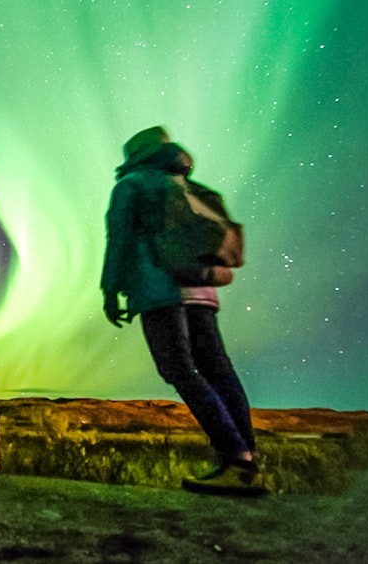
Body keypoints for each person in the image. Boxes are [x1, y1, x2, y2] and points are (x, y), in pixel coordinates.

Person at [100, 126, 264, 495]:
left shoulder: (132, 185)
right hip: (201, 288)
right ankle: (246, 458)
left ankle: (234, 457)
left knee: (178, 369)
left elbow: (120, 238)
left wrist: (111, 289)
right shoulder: (190, 187)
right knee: (218, 369)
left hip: (159, 289)